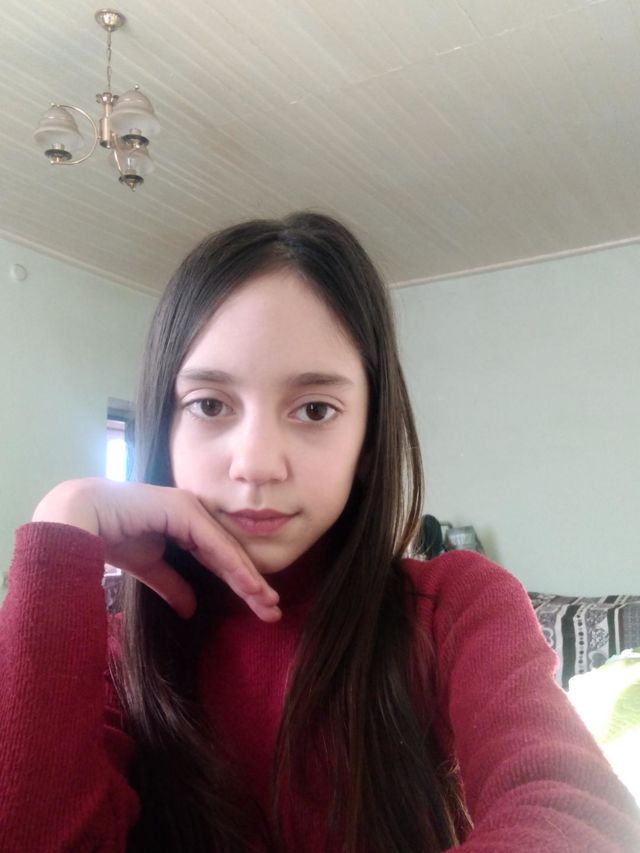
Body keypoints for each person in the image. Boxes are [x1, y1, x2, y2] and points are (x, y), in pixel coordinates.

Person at [1, 212, 639, 852]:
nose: (257, 464)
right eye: (210, 405)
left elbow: (575, 816)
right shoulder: (121, 652)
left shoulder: (454, 608)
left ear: (367, 440)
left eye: (314, 409)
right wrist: (62, 526)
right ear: (165, 428)